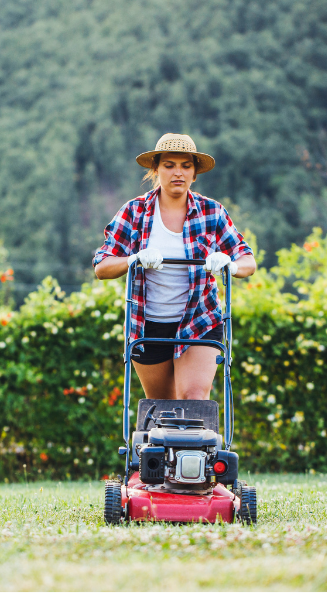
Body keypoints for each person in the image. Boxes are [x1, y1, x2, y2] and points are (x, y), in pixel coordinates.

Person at [93, 133, 256, 401]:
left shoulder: (211, 212)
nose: (177, 173)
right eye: (169, 165)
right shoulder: (134, 212)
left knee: (193, 401)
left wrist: (231, 265)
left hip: (199, 320)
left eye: (186, 165)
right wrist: (133, 259)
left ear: (195, 173)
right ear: (156, 170)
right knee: (163, 409)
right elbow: (102, 266)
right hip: (149, 325)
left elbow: (247, 259)